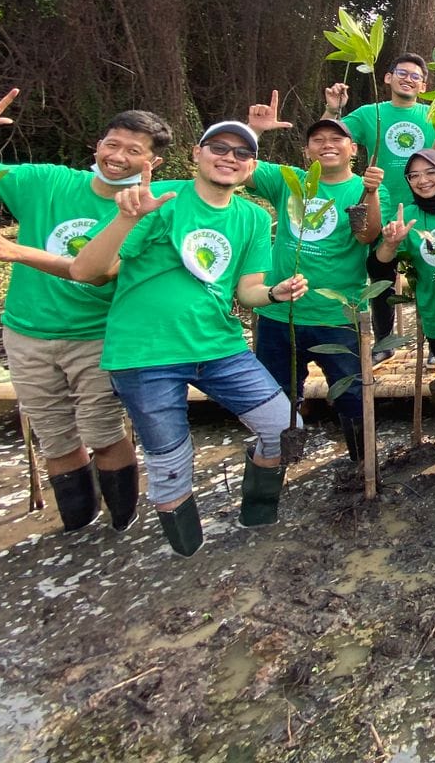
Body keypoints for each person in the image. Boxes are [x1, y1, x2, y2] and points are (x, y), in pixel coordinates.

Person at [0, 89, 169, 533]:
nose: (118, 156)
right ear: (98, 145)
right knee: (56, 438)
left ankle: (123, 526)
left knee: (104, 433)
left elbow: (98, 274)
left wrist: (16, 251)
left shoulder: (149, 211)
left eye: (133, 151)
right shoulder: (47, 181)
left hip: (99, 335)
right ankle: (78, 530)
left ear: (151, 164)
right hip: (26, 333)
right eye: (112, 144)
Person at [71, 122, 305, 557]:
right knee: (170, 463)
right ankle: (187, 555)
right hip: (145, 354)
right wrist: (127, 218)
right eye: (220, 148)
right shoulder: (160, 200)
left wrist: (274, 292)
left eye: (241, 154)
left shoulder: (253, 216)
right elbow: (87, 271)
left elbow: (247, 291)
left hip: (220, 348)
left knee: (283, 427)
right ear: (197, 154)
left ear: (250, 166)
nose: (229, 158)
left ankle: (257, 517)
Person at [244, 95, 384, 461]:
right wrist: (253, 131)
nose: (327, 145)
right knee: (277, 397)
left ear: (353, 148)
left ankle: (363, 466)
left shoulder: (363, 189)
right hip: (279, 315)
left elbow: (366, 236)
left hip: (338, 315)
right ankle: (281, 465)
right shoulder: (288, 182)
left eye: (336, 139)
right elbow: (236, 166)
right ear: (306, 152)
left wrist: (370, 192)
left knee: (352, 397)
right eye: (318, 140)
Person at [326, 53, 435, 355]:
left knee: (433, 272)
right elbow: (329, 141)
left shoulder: (434, 115)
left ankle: (434, 345)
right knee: (380, 272)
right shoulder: (368, 114)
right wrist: (332, 111)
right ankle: (384, 341)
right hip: (380, 205)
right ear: (387, 78)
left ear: (423, 85)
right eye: (402, 73)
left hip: (425, 207)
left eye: (416, 76)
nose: (408, 79)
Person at [373, 151, 435, 406]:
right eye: (413, 175)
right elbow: (379, 268)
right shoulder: (408, 216)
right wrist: (390, 244)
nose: (422, 180)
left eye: (430, 172)